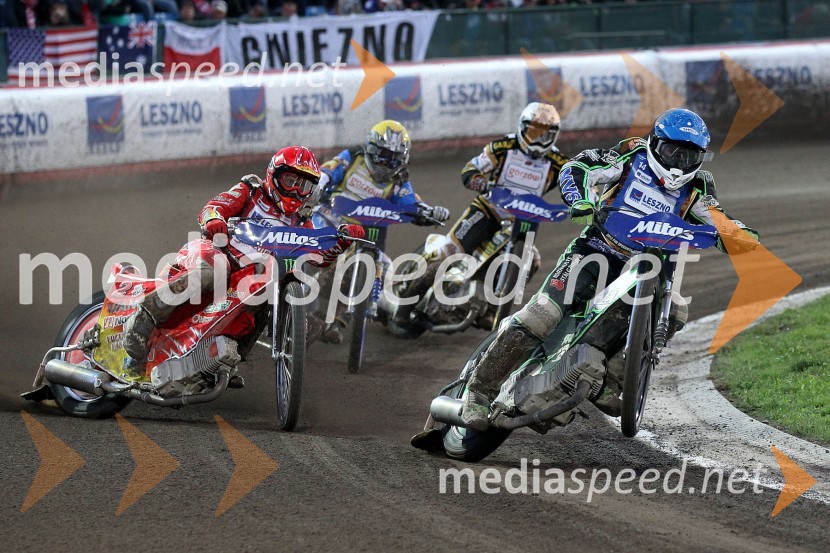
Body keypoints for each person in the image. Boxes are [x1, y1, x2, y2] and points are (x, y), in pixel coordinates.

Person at [460, 108, 760, 430]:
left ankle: (616, 377)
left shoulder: (699, 185)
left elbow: (717, 217)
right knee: (542, 315)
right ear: (655, 143)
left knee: (676, 311)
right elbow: (578, 167)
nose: (678, 161)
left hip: (647, 272)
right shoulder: (630, 154)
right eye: (672, 151)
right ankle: (477, 393)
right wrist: (581, 200)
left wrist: (737, 235)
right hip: (596, 253)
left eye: (689, 155)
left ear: (701, 157)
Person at [122, 146, 364, 383]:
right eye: (291, 180)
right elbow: (212, 208)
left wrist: (340, 243)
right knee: (215, 270)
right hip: (218, 251)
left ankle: (223, 360)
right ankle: (145, 316)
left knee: (270, 295)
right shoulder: (251, 190)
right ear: (275, 175)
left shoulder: (300, 220)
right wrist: (215, 220)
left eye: (305, 185)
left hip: (252, 275)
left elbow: (316, 258)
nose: (296, 190)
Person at [392, 102, 569, 326]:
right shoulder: (502, 146)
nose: (537, 140)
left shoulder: (559, 163)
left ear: (554, 136)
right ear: (522, 128)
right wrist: (478, 180)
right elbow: (471, 168)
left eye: (545, 135)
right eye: (534, 132)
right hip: (487, 210)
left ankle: (492, 310)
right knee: (450, 251)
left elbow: (576, 183)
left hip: (521, 221)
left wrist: (585, 201)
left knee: (531, 259)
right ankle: (404, 307)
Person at [307, 120, 451, 344]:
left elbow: (410, 202)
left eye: (394, 157)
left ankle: (345, 316)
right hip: (331, 217)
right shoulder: (354, 156)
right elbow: (329, 170)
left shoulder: (399, 178)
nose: (387, 162)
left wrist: (430, 212)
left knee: (382, 263)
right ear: (372, 149)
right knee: (313, 244)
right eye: (384, 154)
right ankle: (292, 283)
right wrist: (321, 182)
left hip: (368, 232)